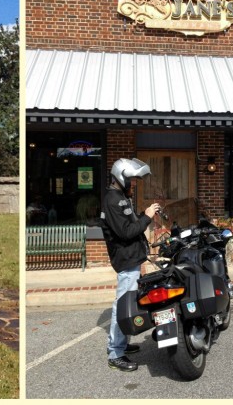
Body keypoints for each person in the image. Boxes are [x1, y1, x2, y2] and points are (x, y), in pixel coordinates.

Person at [101, 157, 162, 372]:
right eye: (132, 180)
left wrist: (143, 215)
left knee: (129, 304)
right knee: (122, 305)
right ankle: (115, 352)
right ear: (121, 177)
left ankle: (123, 343)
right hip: (125, 259)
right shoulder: (112, 200)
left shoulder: (120, 198)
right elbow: (125, 233)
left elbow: (128, 223)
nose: (134, 184)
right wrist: (145, 218)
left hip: (131, 258)